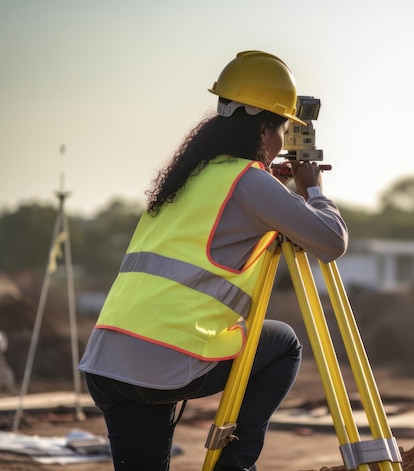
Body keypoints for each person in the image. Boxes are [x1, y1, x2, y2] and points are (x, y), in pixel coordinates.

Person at [78, 50, 348, 471]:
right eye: (282, 130)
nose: (281, 144)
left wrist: (268, 190)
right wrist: (312, 188)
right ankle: (233, 465)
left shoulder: (186, 179)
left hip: (107, 363)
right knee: (284, 344)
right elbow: (331, 241)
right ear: (264, 129)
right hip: (166, 362)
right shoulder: (248, 181)